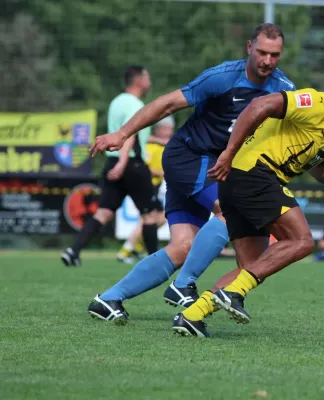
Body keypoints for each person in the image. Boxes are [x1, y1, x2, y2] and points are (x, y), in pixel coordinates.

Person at [86, 23, 295, 322]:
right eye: (261, 52)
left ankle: (107, 300)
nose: (267, 60)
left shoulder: (285, 89)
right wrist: (122, 134)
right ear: (249, 47)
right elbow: (168, 104)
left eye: (274, 55)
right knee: (228, 210)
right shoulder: (223, 77)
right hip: (189, 157)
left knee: (183, 247)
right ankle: (182, 286)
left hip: (217, 168)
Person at [172, 63, 324, 337]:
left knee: (252, 268)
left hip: (240, 181)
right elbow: (259, 106)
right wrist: (228, 153)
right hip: (253, 172)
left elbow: (319, 168)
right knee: (302, 241)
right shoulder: (315, 102)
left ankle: (191, 315)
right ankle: (233, 292)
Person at [61, 65, 159, 267]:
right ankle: (155, 263)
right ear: (139, 80)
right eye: (147, 78)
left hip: (112, 161)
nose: (149, 82)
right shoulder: (135, 104)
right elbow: (129, 134)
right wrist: (124, 163)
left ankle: (74, 251)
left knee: (103, 212)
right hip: (131, 163)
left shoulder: (116, 102)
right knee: (151, 214)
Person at [117, 115, 175, 264]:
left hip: (157, 187)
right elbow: (145, 167)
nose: (170, 132)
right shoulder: (150, 145)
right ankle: (126, 250)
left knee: (158, 218)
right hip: (148, 185)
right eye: (168, 129)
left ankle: (135, 247)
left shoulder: (163, 145)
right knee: (149, 218)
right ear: (160, 129)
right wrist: (161, 172)